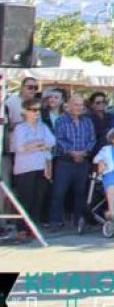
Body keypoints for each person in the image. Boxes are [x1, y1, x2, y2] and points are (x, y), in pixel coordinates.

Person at [50, 94, 96, 230]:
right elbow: (58, 139)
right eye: (76, 105)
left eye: (81, 105)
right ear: (68, 106)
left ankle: (78, 221)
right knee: (59, 192)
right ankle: (55, 221)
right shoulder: (61, 120)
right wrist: (72, 152)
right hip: (65, 161)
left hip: (82, 161)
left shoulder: (87, 121)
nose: (79, 108)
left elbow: (92, 139)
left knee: (80, 192)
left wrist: (84, 152)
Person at [11, 97, 54, 236]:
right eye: (34, 110)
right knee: (26, 198)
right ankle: (21, 228)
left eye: (39, 110)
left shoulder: (43, 126)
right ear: (25, 111)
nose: (37, 113)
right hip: (25, 168)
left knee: (38, 198)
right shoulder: (20, 128)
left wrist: (34, 144)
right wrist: (38, 144)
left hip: (41, 166)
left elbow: (51, 141)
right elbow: (20, 147)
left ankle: (32, 227)